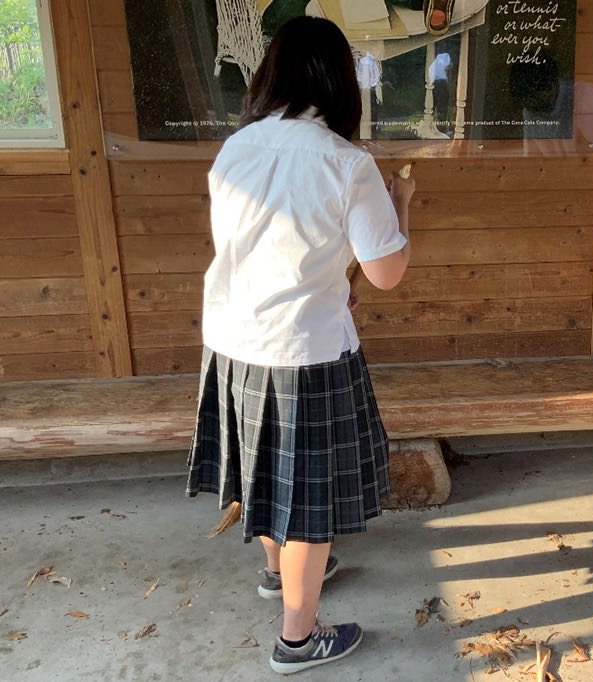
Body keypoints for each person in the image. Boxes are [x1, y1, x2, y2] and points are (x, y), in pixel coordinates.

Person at [185, 16, 414, 674]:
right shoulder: (348, 163)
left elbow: (253, 249)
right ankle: (297, 637)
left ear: (272, 73)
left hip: (232, 344)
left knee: (263, 473)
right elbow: (387, 272)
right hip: (303, 355)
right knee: (311, 504)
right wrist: (403, 204)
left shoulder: (237, 149)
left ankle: (274, 572)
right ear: (343, 83)